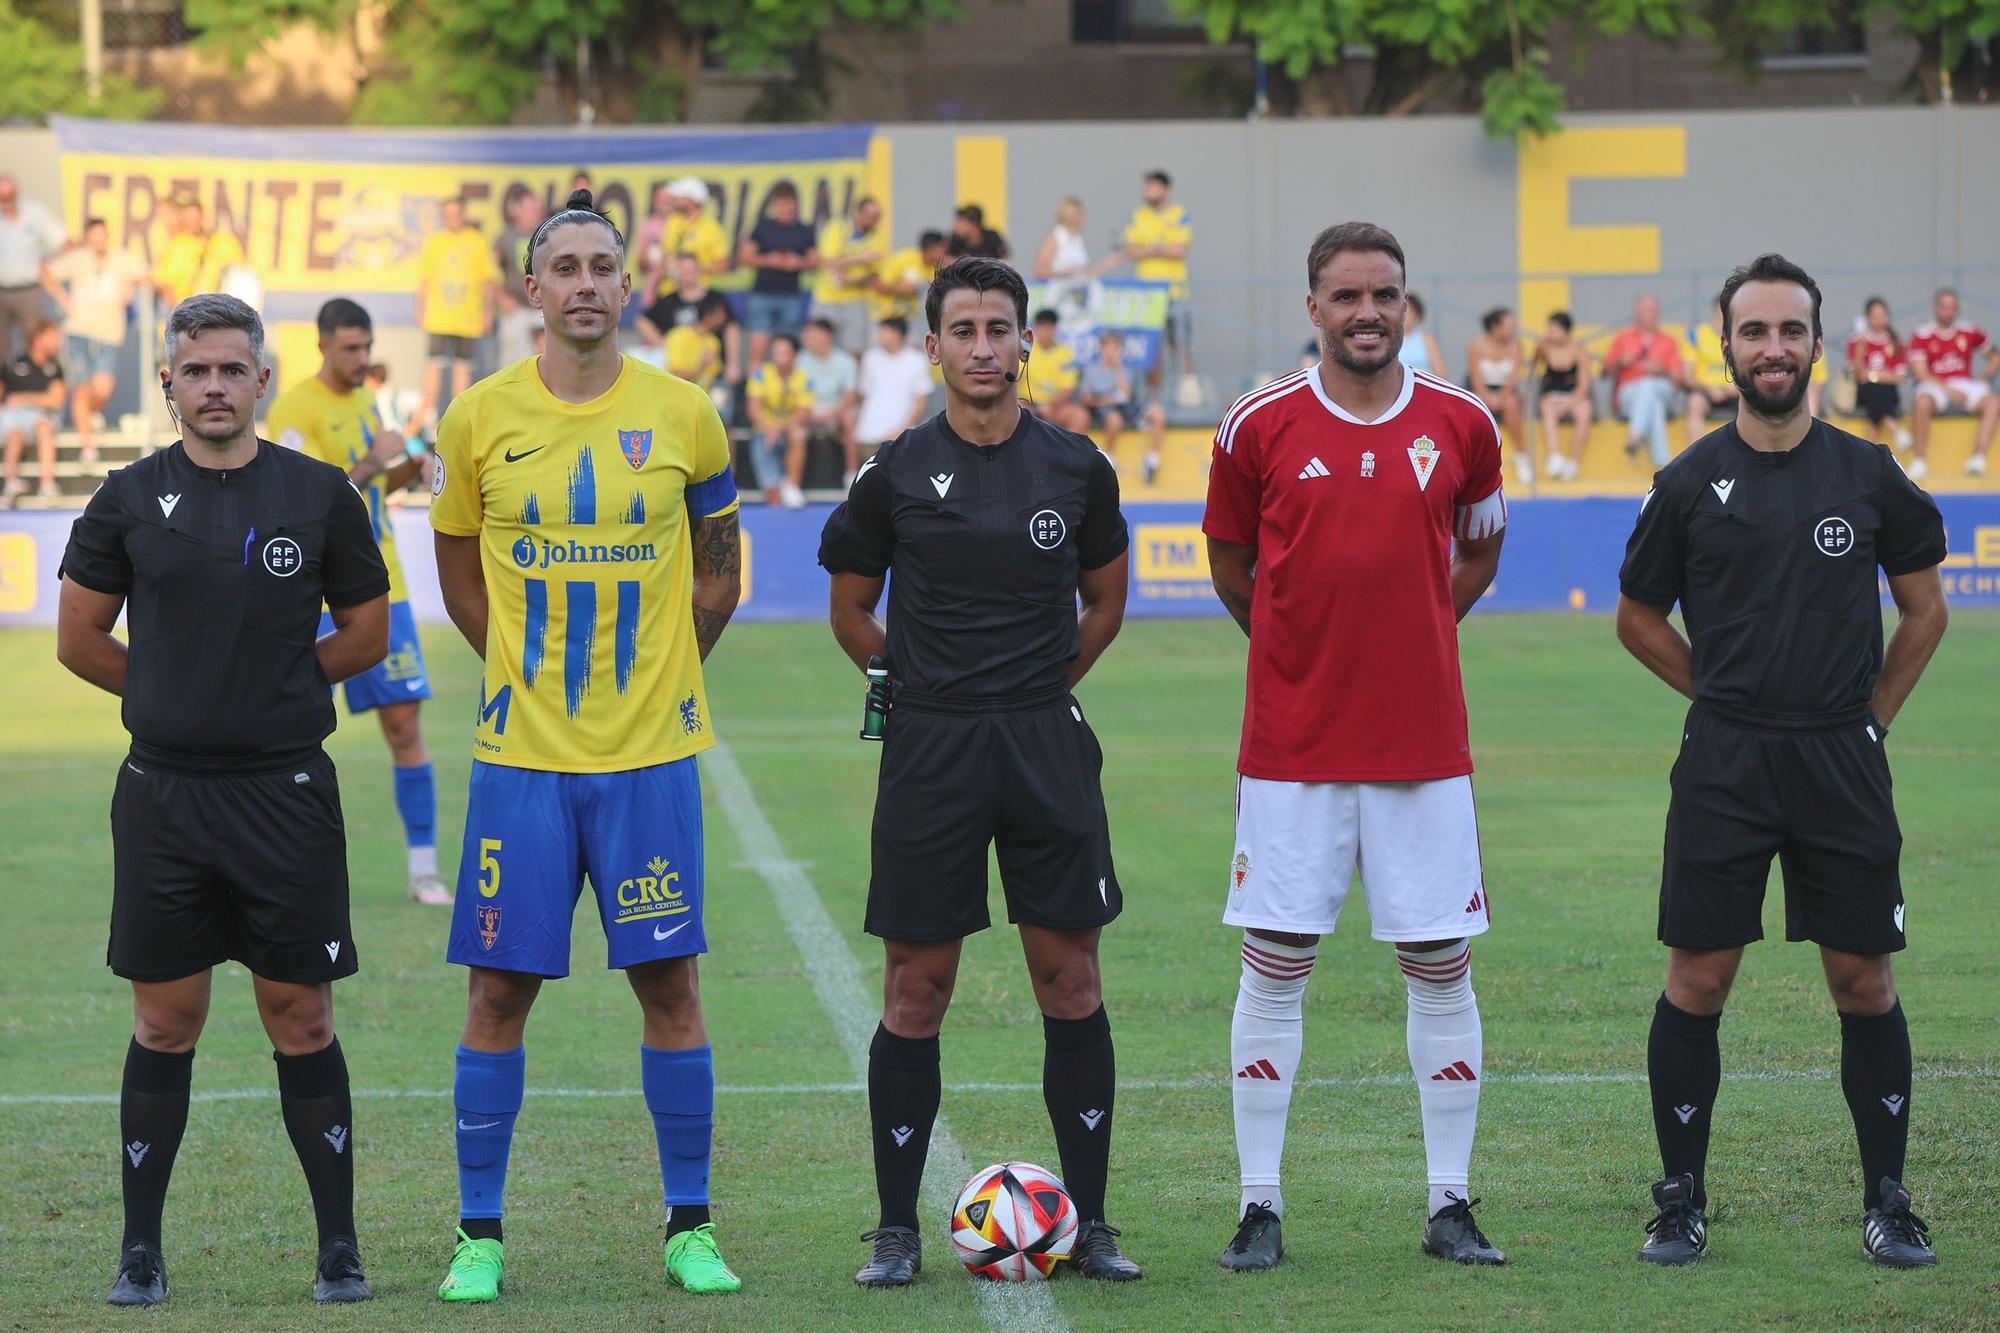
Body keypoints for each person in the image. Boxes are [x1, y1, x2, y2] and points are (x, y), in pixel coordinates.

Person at [428, 190, 745, 1303]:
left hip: (649, 757)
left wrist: (670, 669)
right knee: (497, 994)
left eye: (599, 265)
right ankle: (477, 1233)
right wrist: (508, 667)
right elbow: (458, 569)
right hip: (521, 761)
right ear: (530, 289)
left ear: (626, 282)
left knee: (670, 983)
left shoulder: (686, 414)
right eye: (560, 266)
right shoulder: (474, 418)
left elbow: (720, 570)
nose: (581, 284)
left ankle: (689, 1226)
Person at [1615, 253, 1950, 1270]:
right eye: (1752, 330)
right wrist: (1716, 696)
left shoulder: (1867, 470)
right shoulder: (1683, 481)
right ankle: (1679, 1199)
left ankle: (1886, 1199)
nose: (1771, 348)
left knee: (1861, 980)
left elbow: (1924, 606)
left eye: (1788, 330)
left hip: (1837, 758)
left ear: (1817, 342)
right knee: (1698, 978)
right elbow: (1634, 616)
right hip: (1724, 759)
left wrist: (1871, 717)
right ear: (1723, 344)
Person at [55, 292, 390, 1309]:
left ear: (262, 381)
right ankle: (140, 1250)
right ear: (168, 382)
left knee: (299, 1013)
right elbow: (79, 640)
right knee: (167, 1019)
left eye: (229, 370)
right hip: (163, 797)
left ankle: (338, 1246)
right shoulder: (123, 498)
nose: (212, 387)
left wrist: (275, 696)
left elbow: (365, 633)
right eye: (193, 371)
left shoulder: (320, 494)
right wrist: (169, 698)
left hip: (285, 794)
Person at [818, 255, 1141, 1288]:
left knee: (1069, 978)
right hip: (933, 749)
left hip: (1043, 742)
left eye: (999, 328)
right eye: (962, 330)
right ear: (933, 347)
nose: (983, 348)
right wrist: (909, 687)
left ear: (1025, 340)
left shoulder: (1076, 466)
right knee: (918, 986)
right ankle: (894, 1228)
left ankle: (1088, 1223)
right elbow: (850, 607)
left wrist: (1042, 688)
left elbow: (1102, 602)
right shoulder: (894, 471)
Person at [1203, 221, 1508, 1274]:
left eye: (1383, 295)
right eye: (1345, 296)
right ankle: (1257, 1207)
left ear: (1405, 304)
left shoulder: (1463, 422)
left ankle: (1450, 1202)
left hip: (1423, 744)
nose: (1366, 312)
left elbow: (1477, 549)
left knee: (1437, 962)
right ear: (1312, 309)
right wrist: (1303, 655)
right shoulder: (1256, 424)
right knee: (1275, 964)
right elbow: (1233, 568)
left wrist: (1413, 634)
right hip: (1290, 747)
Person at [266, 299, 447, 905]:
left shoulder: (367, 399)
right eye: (350, 349)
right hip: (308, 592)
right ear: (322, 346)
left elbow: (369, 489)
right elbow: (303, 502)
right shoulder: (294, 410)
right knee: (287, 730)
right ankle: (277, 868)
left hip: (379, 582)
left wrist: (407, 469)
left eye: (367, 348)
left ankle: (424, 869)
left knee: (404, 724)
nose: (362, 359)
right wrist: (375, 459)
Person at [48, 218, 150, 465]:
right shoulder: (77, 259)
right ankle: (88, 445)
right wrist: (63, 298)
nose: (99, 240)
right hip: (78, 331)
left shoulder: (121, 259)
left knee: (103, 387)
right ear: (88, 237)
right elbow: (46, 272)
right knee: (81, 389)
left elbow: (147, 276)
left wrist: (132, 289)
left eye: (102, 235)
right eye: (94, 235)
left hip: (108, 333)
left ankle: (89, 416)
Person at [413, 198, 497, 435]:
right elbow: (424, 279)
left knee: (462, 373)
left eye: (455, 214)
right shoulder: (435, 242)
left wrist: (487, 313)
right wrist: (420, 308)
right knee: (433, 369)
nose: (452, 219)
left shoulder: (477, 242)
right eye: (447, 214)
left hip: (467, 320)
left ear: (463, 214)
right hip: (439, 318)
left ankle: (457, 423)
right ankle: (425, 418)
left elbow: (487, 281)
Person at [1908, 286, 1999, 480]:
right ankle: (1920, 459)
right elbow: (1921, 373)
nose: (1949, 312)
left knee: (1993, 402)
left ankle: (1978, 457)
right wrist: (1949, 391)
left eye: (1952, 307)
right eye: (1944, 307)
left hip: (1964, 383)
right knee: (1922, 402)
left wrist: (1984, 376)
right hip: (1935, 385)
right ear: (1935, 308)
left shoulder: (1969, 330)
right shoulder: (1922, 334)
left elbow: (1995, 357)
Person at [1123, 170, 1195, 399]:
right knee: (1151, 350)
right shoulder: (1138, 215)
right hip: (1147, 295)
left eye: (1153, 187)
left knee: (1181, 347)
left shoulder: (1179, 214)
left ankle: (1187, 397)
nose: (1148, 192)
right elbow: (1131, 250)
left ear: (1165, 189)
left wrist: (1149, 249)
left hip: (1175, 292)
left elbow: (1179, 250)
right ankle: (1153, 401)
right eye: (1146, 187)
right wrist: (1160, 247)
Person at [638, 253, 742, 403]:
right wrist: (662, 343)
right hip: (678, 376)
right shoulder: (669, 301)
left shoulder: (715, 299)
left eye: (692, 270)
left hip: (713, 373)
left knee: (719, 415)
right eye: (684, 271)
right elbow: (642, 320)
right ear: (678, 273)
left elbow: (731, 328)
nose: (688, 275)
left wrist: (733, 364)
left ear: (699, 271)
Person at [737, 183, 817, 371]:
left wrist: (798, 263)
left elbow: (815, 262)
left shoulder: (803, 230)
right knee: (758, 349)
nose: (786, 209)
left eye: (789, 205)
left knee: (788, 349)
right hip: (763, 294)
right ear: (774, 205)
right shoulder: (763, 228)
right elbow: (745, 257)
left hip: (790, 295)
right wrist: (769, 260)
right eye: (781, 205)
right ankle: (754, 393)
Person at [1605, 295, 1686, 467]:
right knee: (1653, 403)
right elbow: (1605, 373)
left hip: (1664, 390)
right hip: (1629, 395)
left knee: (1649, 385)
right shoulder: (1622, 338)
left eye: (1654, 310)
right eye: (1647, 310)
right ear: (1637, 313)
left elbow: (1679, 379)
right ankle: (1663, 464)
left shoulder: (1669, 341)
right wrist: (1620, 362)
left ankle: (1635, 435)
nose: (1651, 314)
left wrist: (1661, 370)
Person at [1078, 329, 1167, 485]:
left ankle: (1152, 460)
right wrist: (1107, 400)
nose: (1112, 351)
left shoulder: (1126, 369)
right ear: (1101, 348)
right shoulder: (1091, 370)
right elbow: (1086, 398)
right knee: (1114, 420)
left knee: (1158, 414)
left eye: (1116, 347)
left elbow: (1125, 395)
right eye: (1109, 347)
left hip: (1126, 408)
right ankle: (1109, 459)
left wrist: (1118, 368)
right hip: (1102, 408)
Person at [0, 173, 64, 365]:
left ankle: (35, 383)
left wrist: (51, 266)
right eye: (2, 198)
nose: (6, 202)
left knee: (35, 342)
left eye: (9, 197)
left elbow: (62, 241)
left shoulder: (35, 214)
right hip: (2, 291)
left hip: (30, 290)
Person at [850, 317, 933, 466]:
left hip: (904, 433)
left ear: (897, 333)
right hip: (869, 433)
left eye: (883, 331)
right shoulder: (870, 358)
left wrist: (904, 428)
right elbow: (863, 395)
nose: (878, 336)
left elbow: (921, 400)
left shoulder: (917, 360)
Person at [2, 319, 66, 503]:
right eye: (53, 337)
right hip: (13, 416)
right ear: (38, 339)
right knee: (14, 434)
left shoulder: (54, 368)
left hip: (41, 416)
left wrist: (23, 399)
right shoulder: (15, 363)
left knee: (43, 427)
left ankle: (47, 484)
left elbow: (56, 400)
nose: (58, 342)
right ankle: (11, 483)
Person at [811, 196, 885, 356]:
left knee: (855, 348)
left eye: (877, 216)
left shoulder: (877, 236)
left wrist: (851, 280)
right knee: (818, 346)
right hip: (827, 297)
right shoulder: (838, 228)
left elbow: (873, 275)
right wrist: (861, 258)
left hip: (855, 299)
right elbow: (827, 262)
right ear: (858, 213)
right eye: (870, 215)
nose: (874, 220)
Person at [747, 332, 812, 508]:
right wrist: (769, 429)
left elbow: (803, 413)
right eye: (776, 353)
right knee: (773, 496)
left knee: (799, 433)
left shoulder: (804, 378)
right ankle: (778, 490)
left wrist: (779, 429)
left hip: (787, 432)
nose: (779, 358)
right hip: (764, 433)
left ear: (794, 355)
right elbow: (753, 409)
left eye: (785, 353)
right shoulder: (760, 374)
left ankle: (792, 486)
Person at [1466, 307, 1529, 484]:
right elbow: (1475, 376)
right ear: (1495, 328)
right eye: (1509, 327)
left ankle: (1521, 456)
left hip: (1507, 391)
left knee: (1511, 403)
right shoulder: (1476, 345)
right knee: (1475, 404)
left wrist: (1501, 397)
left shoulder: (1516, 345)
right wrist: (1486, 396)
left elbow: (1515, 376)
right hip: (1481, 389)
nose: (1513, 331)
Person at [152, 198, 248, 311]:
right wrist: (179, 311)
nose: (192, 222)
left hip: (219, 307)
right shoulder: (177, 245)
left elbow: (240, 272)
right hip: (188, 309)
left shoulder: (222, 241)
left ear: (203, 217)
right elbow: (165, 282)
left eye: (195, 217)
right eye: (187, 218)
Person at [798, 317, 860, 487]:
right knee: (796, 425)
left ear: (826, 336)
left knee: (849, 419)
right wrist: (810, 413)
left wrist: (833, 413)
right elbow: (797, 394)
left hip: (837, 410)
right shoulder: (800, 360)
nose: (806, 339)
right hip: (808, 409)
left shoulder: (845, 360)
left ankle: (851, 474)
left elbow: (850, 394)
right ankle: (791, 483)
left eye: (811, 335)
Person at [1532, 310, 1592, 481]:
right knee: (1547, 408)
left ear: (1565, 330)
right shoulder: (1544, 347)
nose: (1550, 333)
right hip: (1552, 395)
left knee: (1585, 412)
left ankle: (1574, 462)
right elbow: (1535, 368)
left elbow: (1584, 384)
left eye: (1554, 330)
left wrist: (1570, 404)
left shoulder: (1578, 351)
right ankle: (1555, 456)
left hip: (1573, 396)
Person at [1846, 297, 1911, 450]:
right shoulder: (1856, 341)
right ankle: (1896, 428)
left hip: (1888, 393)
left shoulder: (1896, 342)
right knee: (1872, 390)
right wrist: (1861, 346)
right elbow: (1858, 375)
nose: (1880, 320)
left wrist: (1873, 376)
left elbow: (1900, 378)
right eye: (1875, 316)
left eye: (1883, 315)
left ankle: (1870, 451)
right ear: (1868, 318)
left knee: (1876, 394)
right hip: (1865, 392)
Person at [492, 191, 546, 367]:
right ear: (518, 212)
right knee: (513, 365)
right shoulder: (505, 237)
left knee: (546, 363)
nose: (534, 213)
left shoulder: (548, 237)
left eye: (536, 209)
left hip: (543, 309)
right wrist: (501, 298)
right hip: (516, 309)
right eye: (529, 209)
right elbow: (488, 273)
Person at [657, 178, 732, 291]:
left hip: (697, 294)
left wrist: (691, 269)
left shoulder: (712, 228)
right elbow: (665, 255)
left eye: (680, 196)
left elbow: (723, 266)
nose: (675, 198)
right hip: (668, 292)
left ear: (693, 199)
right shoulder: (673, 221)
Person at [868, 229, 949, 330]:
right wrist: (901, 288)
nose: (946, 252)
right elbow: (877, 284)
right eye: (943, 247)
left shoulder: (936, 270)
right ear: (932, 248)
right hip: (884, 319)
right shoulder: (904, 258)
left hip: (907, 322)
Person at [1024, 307, 1087, 432]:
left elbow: (1067, 389)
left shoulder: (1066, 354)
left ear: (1055, 329)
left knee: (1080, 416)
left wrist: (1051, 406)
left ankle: (1068, 452)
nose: (1044, 332)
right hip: (1027, 404)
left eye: (1047, 327)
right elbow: (1013, 382)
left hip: (1055, 405)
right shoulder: (1025, 350)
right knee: (1018, 413)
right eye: (1040, 327)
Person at [1684, 302, 1738, 445]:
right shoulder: (1696, 335)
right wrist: (1708, 388)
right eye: (1721, 311)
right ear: (1715, 311)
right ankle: (1697, 457)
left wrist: (1738, 388)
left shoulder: (1742, 336)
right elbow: (1687, 377)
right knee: (1694, 403)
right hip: (1706, 392)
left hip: (1735, 392)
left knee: (1754, 403)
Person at [1397, 292, 1447, 381]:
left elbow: (1440, 373)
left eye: (1407, 313)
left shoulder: (1427, 341)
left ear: (1417, 316)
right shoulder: (1387, 341)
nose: (1402, 317)